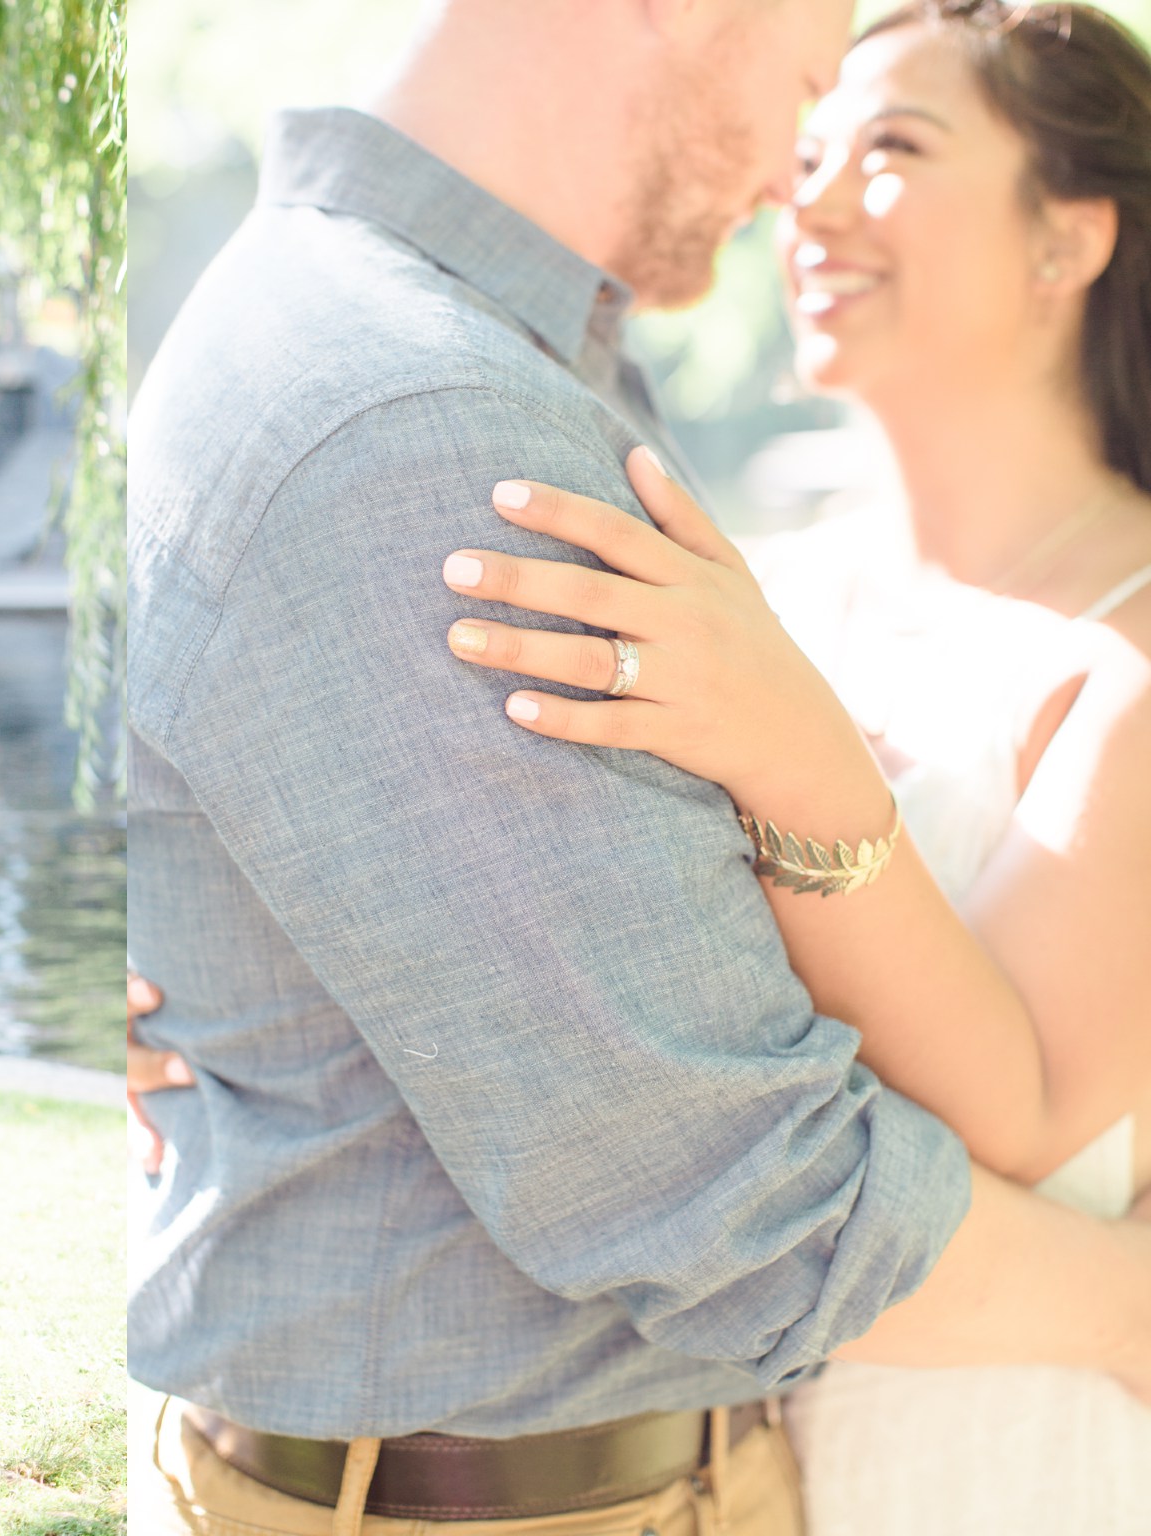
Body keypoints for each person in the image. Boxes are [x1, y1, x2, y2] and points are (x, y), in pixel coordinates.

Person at [124, 2, 1151, 1534]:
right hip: (680, 1450)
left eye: (883, 140)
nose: (803, 189)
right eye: (814, 111)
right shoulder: (497, 446)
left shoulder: (562, 422)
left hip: (923, 1445)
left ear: (1072, 240)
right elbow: (716, 1178)